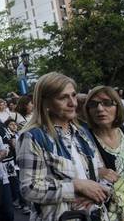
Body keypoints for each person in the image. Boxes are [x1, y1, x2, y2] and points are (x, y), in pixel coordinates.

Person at [17, 72, 110, 220]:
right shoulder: (33, 137)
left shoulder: (83, 132)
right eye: (63, 97)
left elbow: (102, 173)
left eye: (73, 95)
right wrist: (75, 186)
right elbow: (30, 189)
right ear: (45, 103)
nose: (73, 103)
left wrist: (99, 194)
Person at [85, 86, 124, 220]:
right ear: (88, 111)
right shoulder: (83, 140)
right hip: (109, 215)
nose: (100, 109)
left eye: (107, 103)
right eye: (93, 104)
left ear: (118, 107)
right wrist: (96, 171)